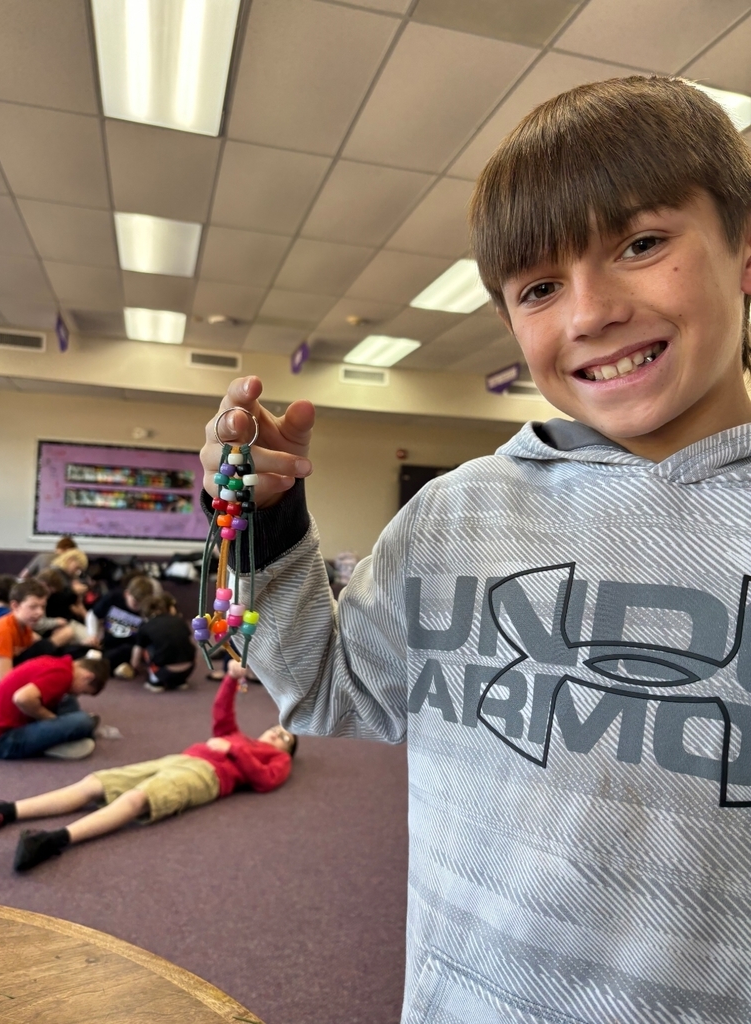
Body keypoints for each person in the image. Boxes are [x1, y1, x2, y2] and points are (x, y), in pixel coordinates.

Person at [198, 77, 751, 1022]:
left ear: (744, 252)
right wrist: (262, 522)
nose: (590, 313)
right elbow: (327, 689)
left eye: (642, 243)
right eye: (541, 287)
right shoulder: (458, 514)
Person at [0, 662, 296, 871]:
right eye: (276, 727)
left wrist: (234, 752)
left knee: (136, 799)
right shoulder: (236, 735)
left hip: (208, 776)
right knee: (95, 783)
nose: (276, 733)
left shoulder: (275, 758)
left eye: (284, 737)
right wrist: (230, 678)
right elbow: (221, 712)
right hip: (179, 759)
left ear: (287, 751)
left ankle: (55, 840)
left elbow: (265, 780)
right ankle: (4, 811)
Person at [0, 655, 108, 760]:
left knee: (68, 700)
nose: (78, 694)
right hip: (1, 742)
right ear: (88, 676)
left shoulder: (58, 664)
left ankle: (67, 732)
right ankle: (60, 739)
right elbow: (22, 698)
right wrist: (50, 719)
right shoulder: (63, 675)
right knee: (83, 720)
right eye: (84, 691)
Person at [0, 580, 74, 702]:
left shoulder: (24, 628)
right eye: (33, 607)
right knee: (43, 649)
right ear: (15, 606)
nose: (40, 612)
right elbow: (4, 680)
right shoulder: (2, 630)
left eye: (42, 607)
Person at [85, 574, 155, 677]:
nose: (138, 606)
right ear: (127, 594)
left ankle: (97, 666)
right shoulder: (113, 597)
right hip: (107, 643)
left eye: (141, 603)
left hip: (130, 648)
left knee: (126, 650)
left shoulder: (149, 609)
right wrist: (93, 635)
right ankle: (110, 668)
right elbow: (93, 615)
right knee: (77, 648)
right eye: (135, 602)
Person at [131, 594, 196, 692]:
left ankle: (155, 681)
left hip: (164, 671)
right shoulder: (180, 621)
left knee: (147, 648)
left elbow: (135, 659)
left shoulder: (145, 627)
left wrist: (138, 668)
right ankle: (179, 681)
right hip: (189, 668)